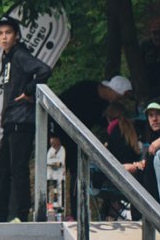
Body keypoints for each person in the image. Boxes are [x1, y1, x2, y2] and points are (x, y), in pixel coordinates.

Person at [0, 15, 53, 222]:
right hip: (10, 121)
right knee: (2, 167)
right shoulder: (6, 57)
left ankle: (22, 214)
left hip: (22, 120)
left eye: (8, 33)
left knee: (18, 167)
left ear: (16, 36)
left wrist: (29, 90)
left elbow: (44, 70)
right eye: (0, 34)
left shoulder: (19, 54)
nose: (4, 37)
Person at [55, 75, 134, 216]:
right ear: (112, 90)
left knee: (76, 173)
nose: (118, 100)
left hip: (76, 139)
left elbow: (102, 122)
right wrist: (52, 134)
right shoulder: (85, 88)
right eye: (119, 97)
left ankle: (76, 214)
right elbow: (57, 105)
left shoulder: (104, 104)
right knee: (56, 173)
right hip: (59, 135)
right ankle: (55, 210)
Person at [45, 135, 66, 218]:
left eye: (54, 143)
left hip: (60, 178)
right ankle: (50, 212)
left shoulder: (62, 150)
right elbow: (48, 162)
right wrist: (53, 163)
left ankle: (60, 213)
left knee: (60, 195)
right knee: (51, 195)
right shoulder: (50, 151)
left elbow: (60, 163)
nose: (53, 145)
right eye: (51, 144)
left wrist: (53, 163)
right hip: (51, 178)